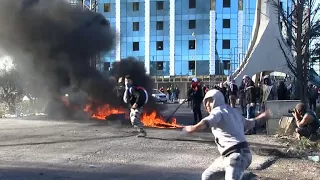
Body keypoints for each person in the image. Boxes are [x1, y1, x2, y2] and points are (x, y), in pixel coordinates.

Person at [183, 89, 272, 180]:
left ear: (217, 100)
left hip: (236, 156)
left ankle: (248, 177)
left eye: (210, 101)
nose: (207, 105)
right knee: (207, 176)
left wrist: (194, 128)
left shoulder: (217, 111)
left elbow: (207, 121)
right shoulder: (233, 112)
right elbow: (249, 123)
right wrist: (262, 117)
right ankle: (247, 177)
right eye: (206, 102)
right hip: (230, 156)